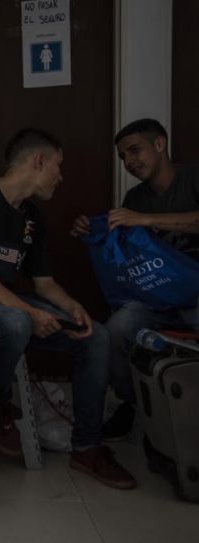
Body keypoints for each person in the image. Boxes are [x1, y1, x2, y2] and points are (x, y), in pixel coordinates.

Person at [0, 128, 136, 490]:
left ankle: (87, 446)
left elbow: (43, 284)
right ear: (38, 161)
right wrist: (29, 314)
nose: (61, 176)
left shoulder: (32, 220)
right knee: (14, 321)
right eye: (58, 165)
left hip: (8, 306)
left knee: (96, 336)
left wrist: (73, 308)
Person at [70, 118, 199, 441]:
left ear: (160, 144)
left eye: (134, 150)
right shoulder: (134, 197)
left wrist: (145, 219)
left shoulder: (193, 178)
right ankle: (130, 403)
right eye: (123, 156)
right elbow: (123, 247)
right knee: (116, 328)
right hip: (157, 300)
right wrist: (91, 229)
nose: (129, 161)